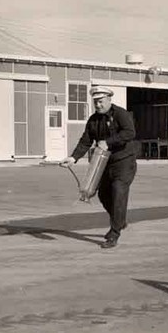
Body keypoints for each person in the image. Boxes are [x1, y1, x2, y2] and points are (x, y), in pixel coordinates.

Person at [61, 87, 137, 248]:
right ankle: (120, 221)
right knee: (103, 195)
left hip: (124, 162)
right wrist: (73, 158)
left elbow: (130, 133)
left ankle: (114, 233)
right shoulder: (93, 120)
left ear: (109, 99)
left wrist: (108, 142)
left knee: (118, 191)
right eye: (95, 102)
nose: (98, 105)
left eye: (101, 101)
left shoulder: (121, 114)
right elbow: (85, 141)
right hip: (103, 163)